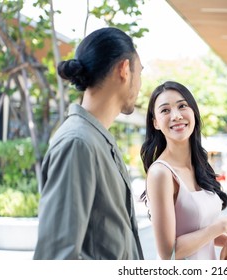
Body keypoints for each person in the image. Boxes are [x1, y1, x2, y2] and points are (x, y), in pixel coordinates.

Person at [33, 27, 144, 260]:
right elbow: (55, 258)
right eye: (140, 72)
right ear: (124, 69)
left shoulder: (97, 140)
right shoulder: (78, 143)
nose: (141, 84)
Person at [140, 81, 227, 260]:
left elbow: (194, 229)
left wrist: (226, 241)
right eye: (165, 110)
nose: (176, 116)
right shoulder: (161, 173)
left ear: (194, 112)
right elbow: (168, 253)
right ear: (155, 123)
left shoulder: (199, 166)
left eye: (182, 106)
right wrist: (222, 226)